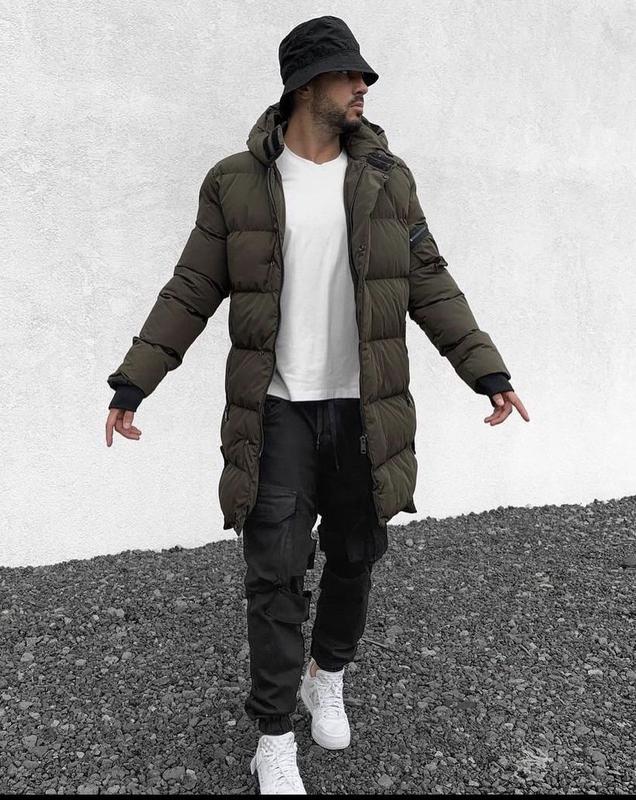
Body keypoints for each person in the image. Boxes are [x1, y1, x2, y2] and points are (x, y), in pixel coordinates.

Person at [105, 15, 529, 795]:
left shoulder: (388, 180)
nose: (364, 86)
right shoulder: (235, 182)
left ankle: (324, 674)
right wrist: (135, 380)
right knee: (274, 570)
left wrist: (487, 370)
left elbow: (430, 282)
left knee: (358, 552)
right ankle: (273, 737)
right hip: (278, 410)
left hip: (364, 408)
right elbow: (192, 286)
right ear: (306, 85)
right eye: (349, 74)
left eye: (364, 75)